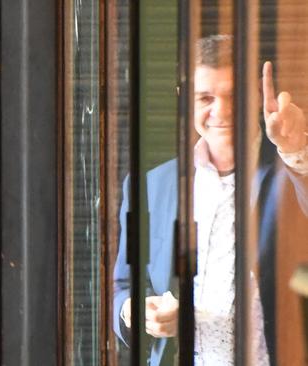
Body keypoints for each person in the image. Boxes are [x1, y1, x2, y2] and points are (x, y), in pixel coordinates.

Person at [113, 35, 308, 365]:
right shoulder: (148, 187)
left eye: (234, 95)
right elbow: (123, 284)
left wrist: (295, 153)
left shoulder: (293, 168)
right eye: (205, 97)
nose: (221, 110)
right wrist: (136, 309)